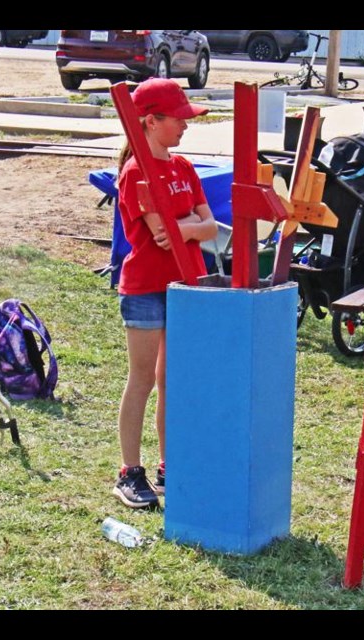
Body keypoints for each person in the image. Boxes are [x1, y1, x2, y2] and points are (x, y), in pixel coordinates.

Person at [113, 78, 217, 508]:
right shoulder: (136, 172)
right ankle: (129, 471)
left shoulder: (184, 168)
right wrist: (190, 227)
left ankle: (169, 465)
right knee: (141, 379)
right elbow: (161, 237)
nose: (185, 127)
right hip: (146, 288)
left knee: (172, 381)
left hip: (186, 284)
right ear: (151, 122)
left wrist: (188, 228)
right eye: (179, 120)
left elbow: (209, 228)